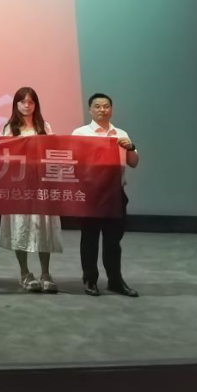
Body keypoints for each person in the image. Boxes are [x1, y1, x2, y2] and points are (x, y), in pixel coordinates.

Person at [73, 93, 140, 297]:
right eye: (98, 106)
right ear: (90, 110)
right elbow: (73, 161)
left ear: (111, 109)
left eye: (106, 106)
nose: (102, 110)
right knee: (90, 239)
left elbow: (134, 163)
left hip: (115, 194)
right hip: (90, 194)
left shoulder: (121, 134)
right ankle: (90, 279)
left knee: (113, 240)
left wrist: (131, 147)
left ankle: (115, 280)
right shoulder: (80, 133)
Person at [0, 87, 61, 293]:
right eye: (23, 102)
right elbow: (2, 157)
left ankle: (46, 273)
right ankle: (24, 273)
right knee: (20, 228)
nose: (27, 106)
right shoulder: (9, 129)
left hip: (42, 185)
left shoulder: (45, 126)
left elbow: (53, 153)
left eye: (31, 102)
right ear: (16, 104)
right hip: (19, 187)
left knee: (44, 229)